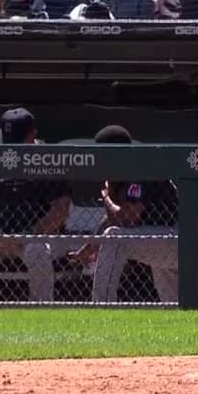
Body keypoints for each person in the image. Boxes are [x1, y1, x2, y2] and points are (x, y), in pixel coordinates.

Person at [0, 108, 73, 302]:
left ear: (32, 134)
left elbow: (61, 210)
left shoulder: (48, 158)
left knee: (36, 250)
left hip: (41, 238)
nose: (12, 146)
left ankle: (41, 308)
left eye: (18, 140)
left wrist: (26, 236)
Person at [70, 125, 180, 303]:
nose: (100, 160)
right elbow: (114, 220)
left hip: (176, 239)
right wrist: (89, 247)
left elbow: (128, 218)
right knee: (175, 305)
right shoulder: (123, 171)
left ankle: (101, 306)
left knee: (114, 238)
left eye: (103, 155)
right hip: (161, 238)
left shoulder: (138, 168)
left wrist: (106, 198)